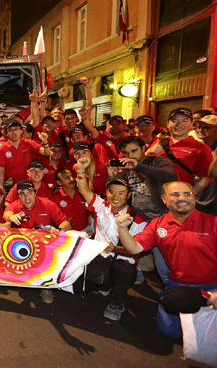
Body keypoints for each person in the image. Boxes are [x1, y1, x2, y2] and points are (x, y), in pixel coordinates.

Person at [115, 181, 217, 337]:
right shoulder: (158, 225)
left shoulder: (213, 223)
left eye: (187, 194)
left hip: (212, 285)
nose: (182, 198)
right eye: (174, 194)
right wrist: (122, 228)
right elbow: (134, 248)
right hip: (178, 285)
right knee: (169, 331)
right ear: (163, 199)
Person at [76, 158, 147, 321]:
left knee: (122, 268)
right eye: (111, 192)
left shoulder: (137, 220)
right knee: (73, 286)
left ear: (128, 195)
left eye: (121, 193)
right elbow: (84, 190)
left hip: (121, 263)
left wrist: (115, 249)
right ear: (106, 193)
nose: (115, 196)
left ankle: (116, 302)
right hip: (98, 259)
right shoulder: (102, 205)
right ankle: (105, 285)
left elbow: (136, 252)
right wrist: (81, 170)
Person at [146, 108, 213, 195]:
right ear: (167, 124)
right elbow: (141, 167)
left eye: (184, 121)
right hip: (153, 196)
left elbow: (206, 178)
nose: (178, 125)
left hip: (177, 198)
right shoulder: (157, 143)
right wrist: (148, 153)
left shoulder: (201, 148)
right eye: (174, 121)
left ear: (192, 125)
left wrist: (189, 194)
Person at [0, 121, 50, 193]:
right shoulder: (2, 148)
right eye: (11, 130)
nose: (13, 132)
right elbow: (1, 169)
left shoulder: (28, 143)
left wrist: (45, 142)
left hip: (27, 183)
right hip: (11, 185)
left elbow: (46, 153)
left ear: (21, 131)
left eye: (16, 129)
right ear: (7, 133)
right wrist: (1, 186)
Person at [51, 168, 91, 233]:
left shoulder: (83, 193)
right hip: (66, 233)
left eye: (72, 176)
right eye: (67, 178)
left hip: (86, 230)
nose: (72, 179)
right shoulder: (55, 198)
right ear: (59, 182)